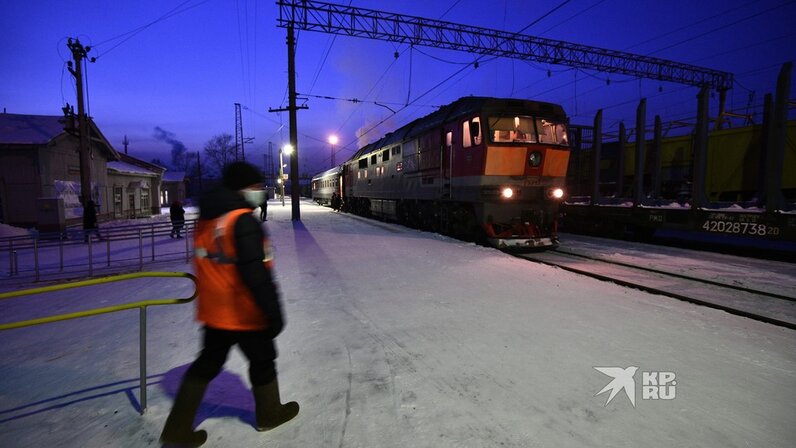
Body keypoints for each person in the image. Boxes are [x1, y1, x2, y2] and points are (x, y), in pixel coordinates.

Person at [160, 161, 299, 446]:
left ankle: (176, 429)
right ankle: (269, 413)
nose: (260, 191)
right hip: (245, 310)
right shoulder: (242, 221)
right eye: (256, 187)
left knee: (207, 363)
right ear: (243, 188)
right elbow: (255, 274)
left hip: (215, 310)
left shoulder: (208, 219)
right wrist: (273, 312)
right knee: (262, 360)